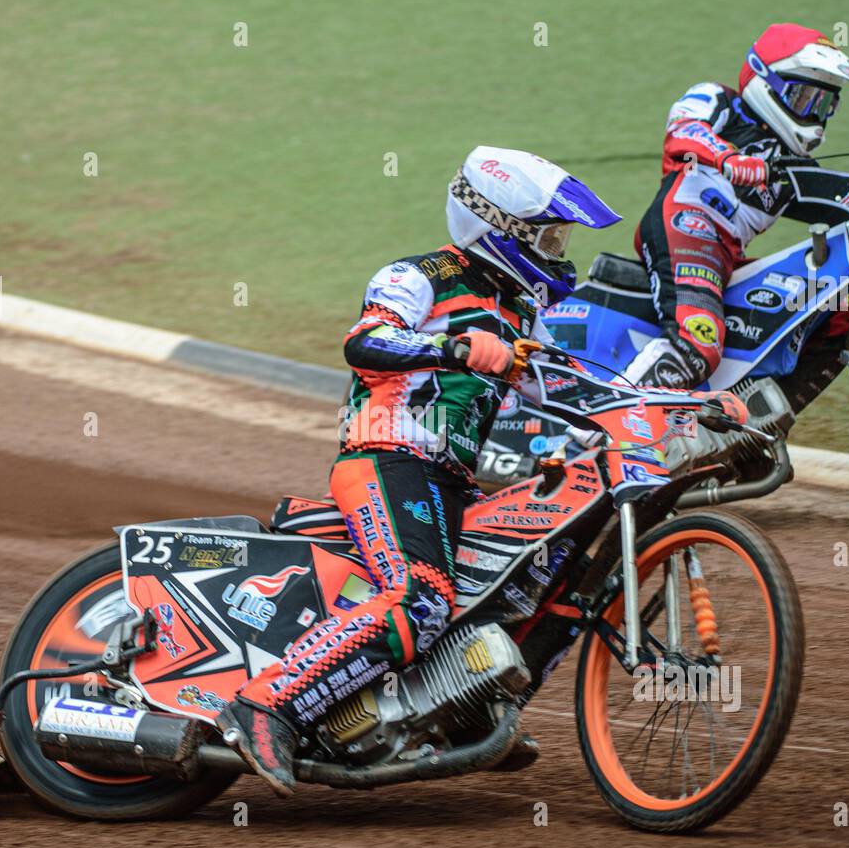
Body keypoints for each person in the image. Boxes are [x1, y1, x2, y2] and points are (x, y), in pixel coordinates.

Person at [215, 146, 620, 795]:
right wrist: (455, 347)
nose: (557, 250)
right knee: (422, 597)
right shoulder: (419, 276)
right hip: (386, 459)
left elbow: (549, 400)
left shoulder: (520, 311)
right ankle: (265, 705)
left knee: (541, 575)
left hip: (452, 483)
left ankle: (467, 708)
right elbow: (363, 342)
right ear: (499, 230)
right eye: (547, 235)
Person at [621, 21, 849, 400]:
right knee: (697, 346)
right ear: (765, 81)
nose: (815, 114)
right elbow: (681, 132)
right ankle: (591, 432)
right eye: (805, 98)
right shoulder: (717, 99)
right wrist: (728, 158)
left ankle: (760, 433)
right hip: (684, 230)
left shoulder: (795, 170)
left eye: (825, 104)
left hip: (729, 258)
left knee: (845, 317)